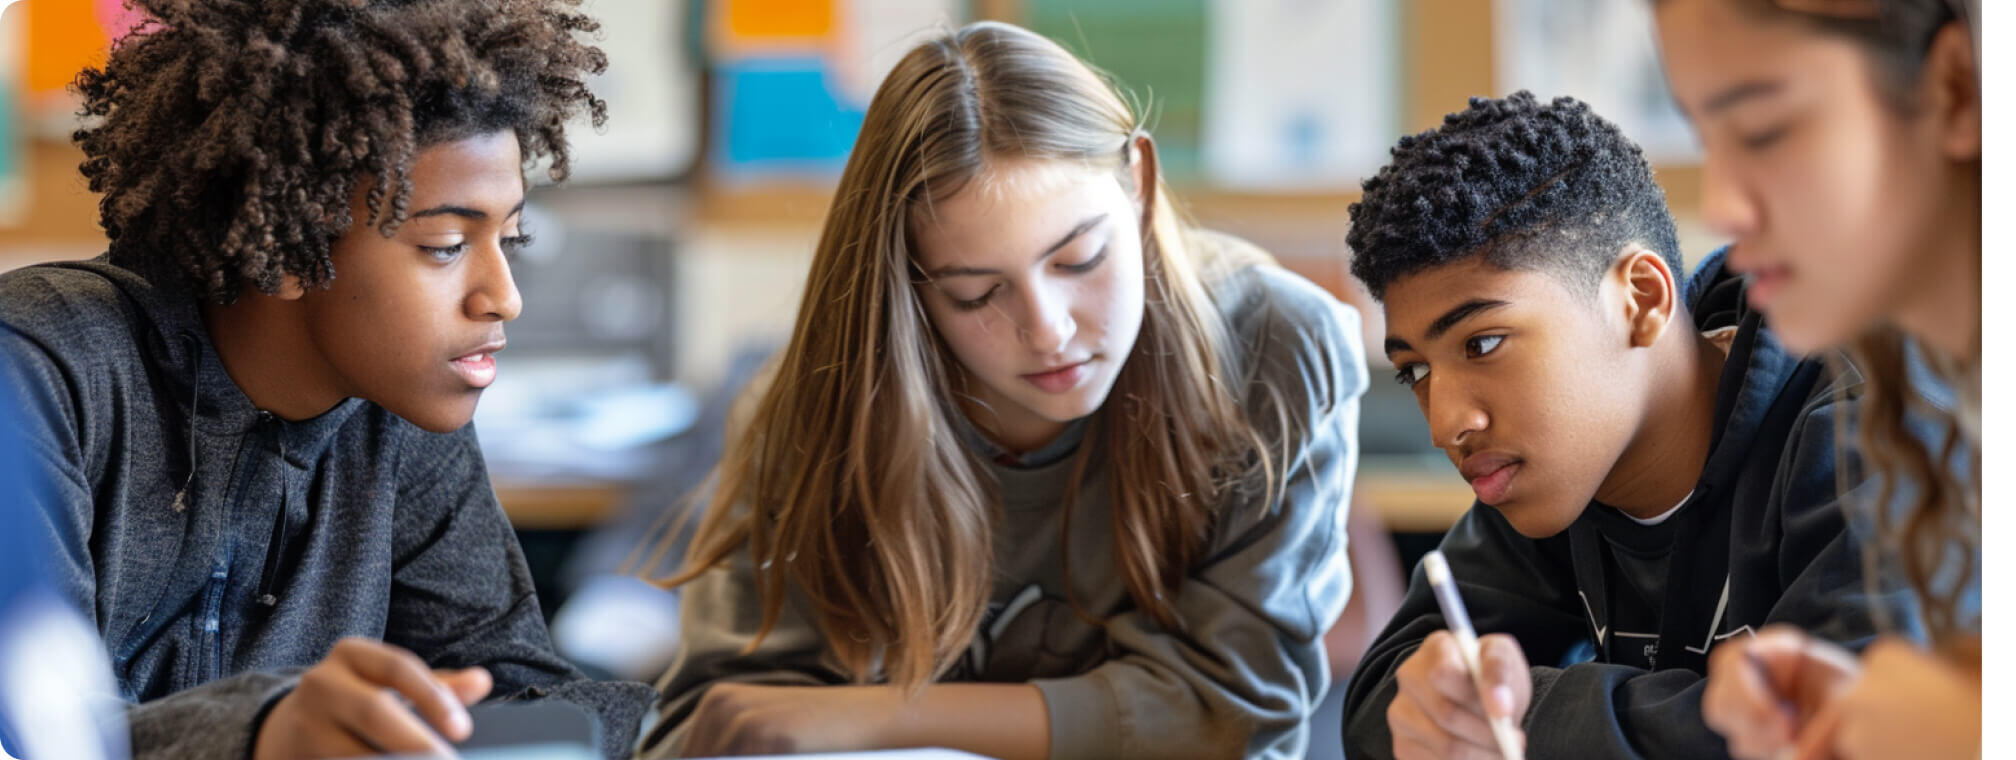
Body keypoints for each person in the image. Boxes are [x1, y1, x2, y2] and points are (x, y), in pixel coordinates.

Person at [640, 20, 1367, 760]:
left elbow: (1239, 717)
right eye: (977, 294)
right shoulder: (818, 405)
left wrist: (888, 715)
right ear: (911, 289)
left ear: (1140, 185)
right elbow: (719, 723)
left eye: (1079, 260)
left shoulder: (1278, 340)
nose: (1048, 332)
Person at [0, 1, 655, 758]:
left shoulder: (397, 410)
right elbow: (34, 732)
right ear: (286, 246)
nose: (503, 296)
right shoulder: (40, 371)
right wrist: (258, 731)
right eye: (446, 245)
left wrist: (675, 727)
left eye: (510, 237)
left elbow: (516, 692)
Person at [1336, 92, 1915, 759]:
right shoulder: (1549, 475)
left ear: (1640, 300)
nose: (1448, 424)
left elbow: (1858, 731)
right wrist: (1436, 710)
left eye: (1484, 344)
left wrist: (1520, 719)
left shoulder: (1868, 429)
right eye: (1415, 373)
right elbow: (1383, 702)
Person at [1653, 1, 1982, 757]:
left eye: (1765, 131)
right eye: (1706, 140)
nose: (1723, 207)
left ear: (1955, 90)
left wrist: (1964, 725)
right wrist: (1863, 721)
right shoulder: (1922, 389)